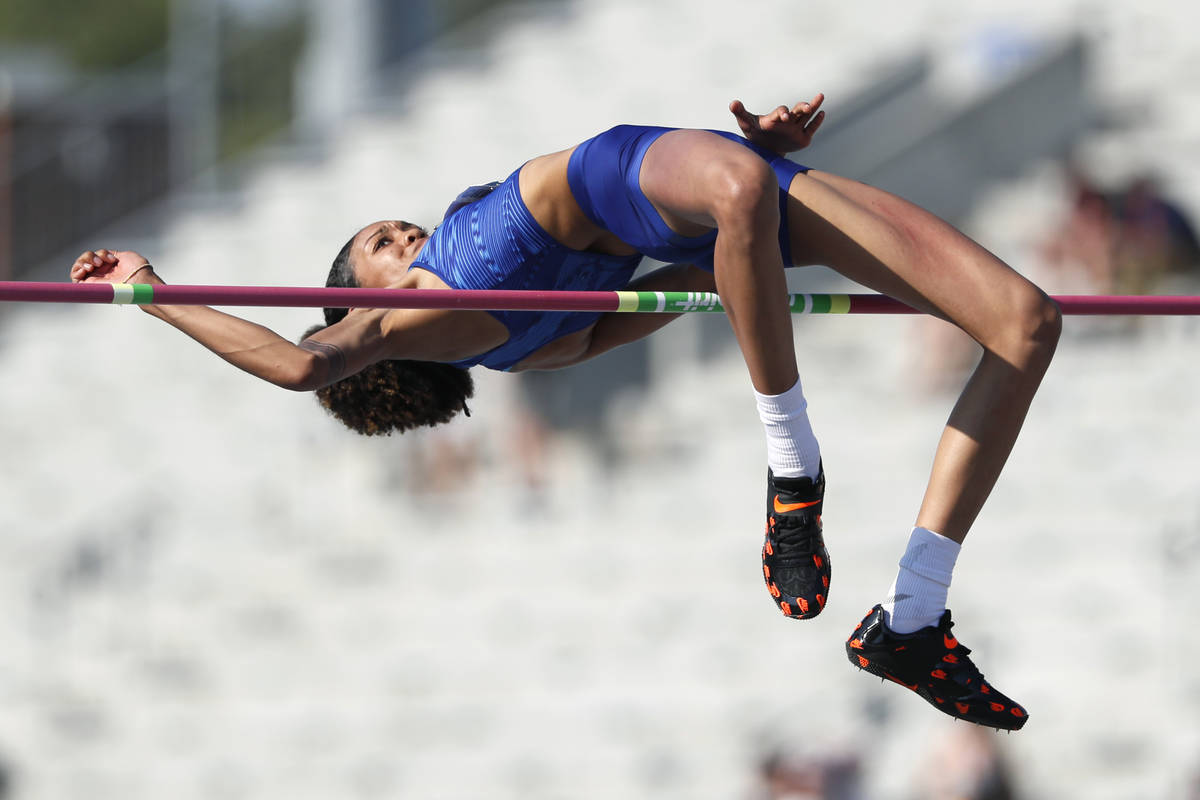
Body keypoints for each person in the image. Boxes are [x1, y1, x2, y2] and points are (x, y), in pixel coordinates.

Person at [69, 94, 1060, 730]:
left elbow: (717, 276)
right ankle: (793, 473)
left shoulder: (523, 314)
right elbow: (295, 365)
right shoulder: (415, 318)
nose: (401, 230)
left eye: (392, 224)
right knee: (740, 185)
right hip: (675, 184)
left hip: (700, 182)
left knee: (1026, 321)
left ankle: (914, 618)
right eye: (377, 241)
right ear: (359, 297)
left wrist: (739, 161)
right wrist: (153, 290)